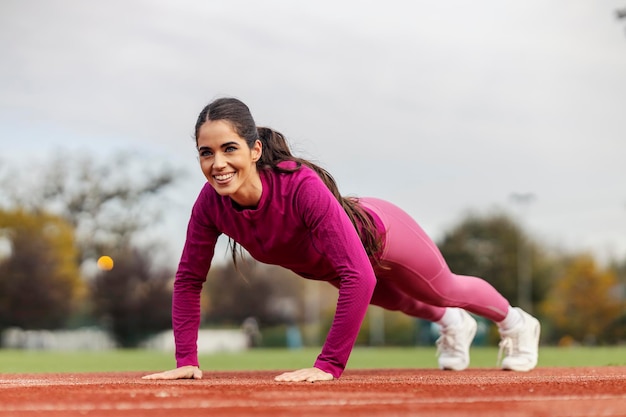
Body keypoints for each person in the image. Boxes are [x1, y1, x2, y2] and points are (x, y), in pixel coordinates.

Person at [143, 97, 540, 383]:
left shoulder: (298, 184)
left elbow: (361, 277)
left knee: (443, 289)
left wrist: (328, 365)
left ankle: (516, 322)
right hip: (334, 264)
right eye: (205, 153)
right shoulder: (210, 204)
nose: (217, 164)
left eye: (229, 148)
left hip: (383, 234)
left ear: (254, 149)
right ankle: (452, 323)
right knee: (399, 300)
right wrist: (186, 359)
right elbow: (189, 280)